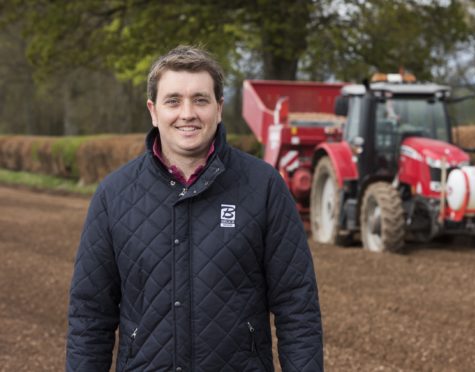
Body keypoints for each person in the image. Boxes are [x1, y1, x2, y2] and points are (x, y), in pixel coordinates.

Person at [65, 45, 323, 371]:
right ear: (153, 111)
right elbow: (90, 314)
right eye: (173, 101)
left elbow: (297, 304)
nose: (187, 113)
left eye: (200, 100)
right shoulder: (113, 195)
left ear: (219, 108)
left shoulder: (264, 187)